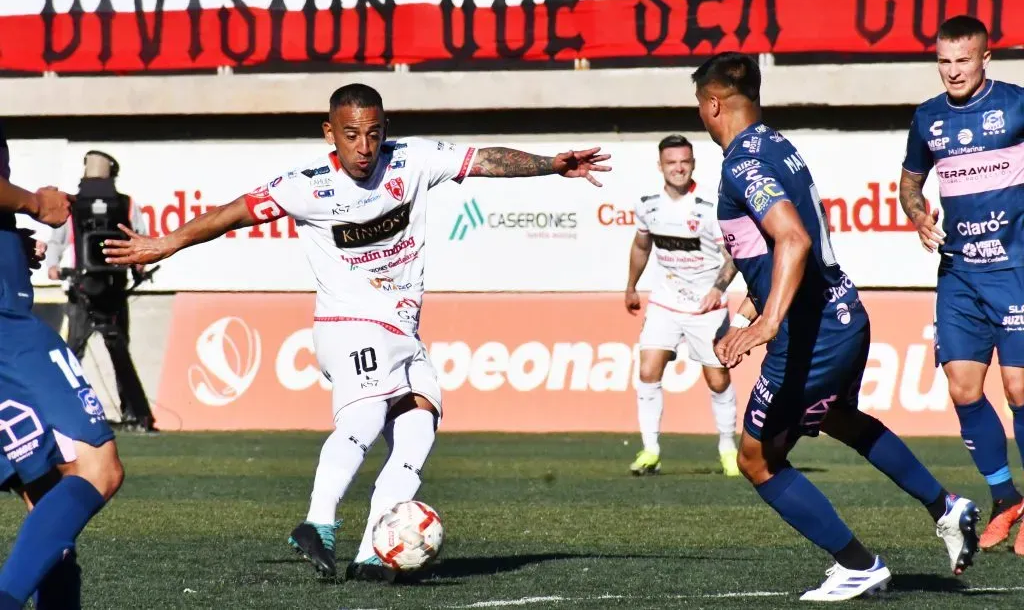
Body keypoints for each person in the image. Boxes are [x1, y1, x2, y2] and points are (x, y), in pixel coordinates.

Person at [103, 83, 611, 582]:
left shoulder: (413, 160)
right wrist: (166, 243)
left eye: (372, 134)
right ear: (330, 133)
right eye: (350, 135)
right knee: (368, 412)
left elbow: (485, 159)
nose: (363, 148)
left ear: (385, 129)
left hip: (403, 331)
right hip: (348, 324)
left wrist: (552, 164)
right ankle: (318, 520)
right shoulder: (305, 185)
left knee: (418, 428)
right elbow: (229, 214)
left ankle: (372, 552)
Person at [694, 52, 979, 601]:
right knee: (838, 418)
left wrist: (767, 323)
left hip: (811, 334)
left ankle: (858, 564)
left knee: (756, 457)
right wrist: (754, 309)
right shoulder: (778, 146)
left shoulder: (740, 164)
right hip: (843, 314)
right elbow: (780, 252)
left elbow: (794, 240)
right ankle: (946, 507)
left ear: (712, 105)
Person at [900, 14, 1024, 555]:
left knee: (1020, 389)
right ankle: (1006, 499)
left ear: (985, 57)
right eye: (944, 61)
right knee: (963, 388)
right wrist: (917, 214)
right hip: (959, 274)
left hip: (1017, 270)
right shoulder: (927, 117)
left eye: (963, 60)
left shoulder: (1018, 104)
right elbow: (910, 183)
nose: (953, 71)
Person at [0, 126, 125, 609]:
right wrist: (33, 203)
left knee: (47, 492)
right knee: (96, 468)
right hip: (8, 330)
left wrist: (11, 242)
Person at [625, 134, 740, 477]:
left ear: (693, 165)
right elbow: (641, 246)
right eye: (671, 162)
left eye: (684, 162)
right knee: (648, 371)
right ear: (660, 166)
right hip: (666, 300)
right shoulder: (648, 205)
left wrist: (718, 289)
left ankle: (727, 448)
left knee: (717, 380)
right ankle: (650, 449)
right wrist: (631, 286)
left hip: (707, 306)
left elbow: (732, 256)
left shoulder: (709, 206)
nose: (678, 168)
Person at [45, 150, 155, 432]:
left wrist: (54, 265)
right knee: (109, 351)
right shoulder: (125, 204)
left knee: (76, 353)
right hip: (106, 288)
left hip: (89, 287)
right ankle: (136, 416)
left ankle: (64, 413)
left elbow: (57, 241)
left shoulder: (78, 205)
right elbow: (140, 237)